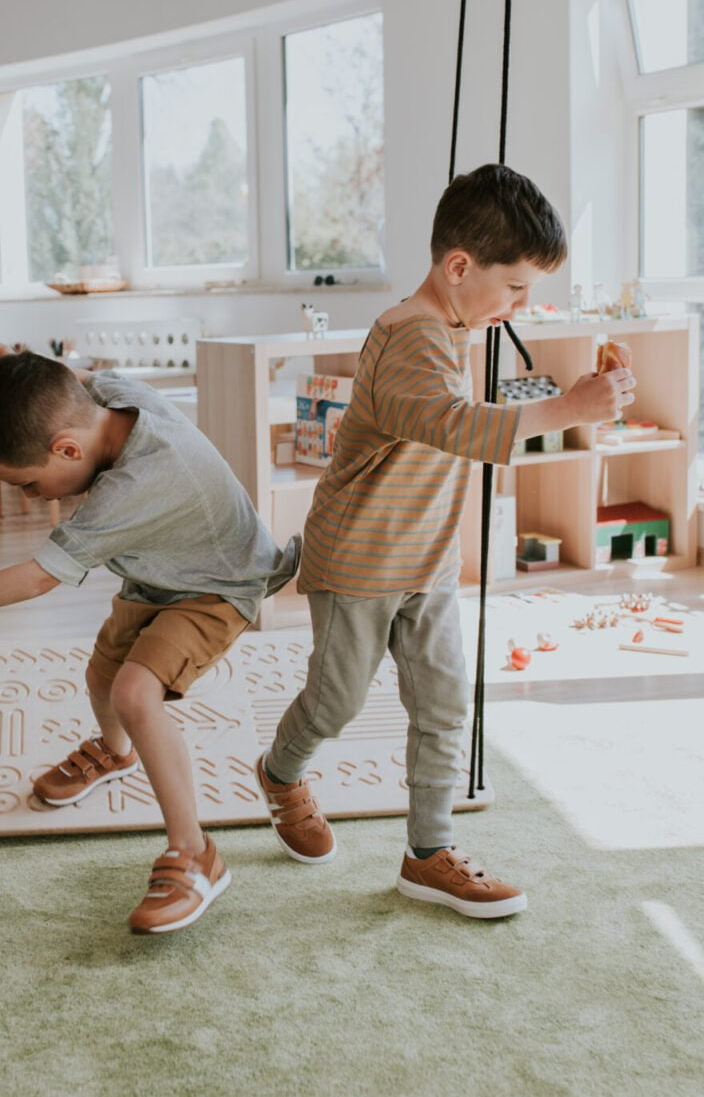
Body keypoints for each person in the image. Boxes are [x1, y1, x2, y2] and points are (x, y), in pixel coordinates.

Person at [255, 163, 636, 918]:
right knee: (335, 702)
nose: (521, 305)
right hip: (359, 559)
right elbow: (449, 425)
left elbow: (452, 426)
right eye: (516, 288)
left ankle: (428, 853)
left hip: (425, 558)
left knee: (443, 703)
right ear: (458, 268)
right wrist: (569, 408)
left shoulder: (455, 325)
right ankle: (280, 773)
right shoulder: (409, 334)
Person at [0, 348, 299, 936]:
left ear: (68, 449)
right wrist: (19, 365)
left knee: (134, 694)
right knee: (101, 676)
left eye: (29, 483)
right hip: (160, 570)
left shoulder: (137, 485)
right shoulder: (113, 400)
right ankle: (117, 752)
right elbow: (75, 379)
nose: (30, 496)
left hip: (218, 585)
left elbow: (39, 577)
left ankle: (196, 853)